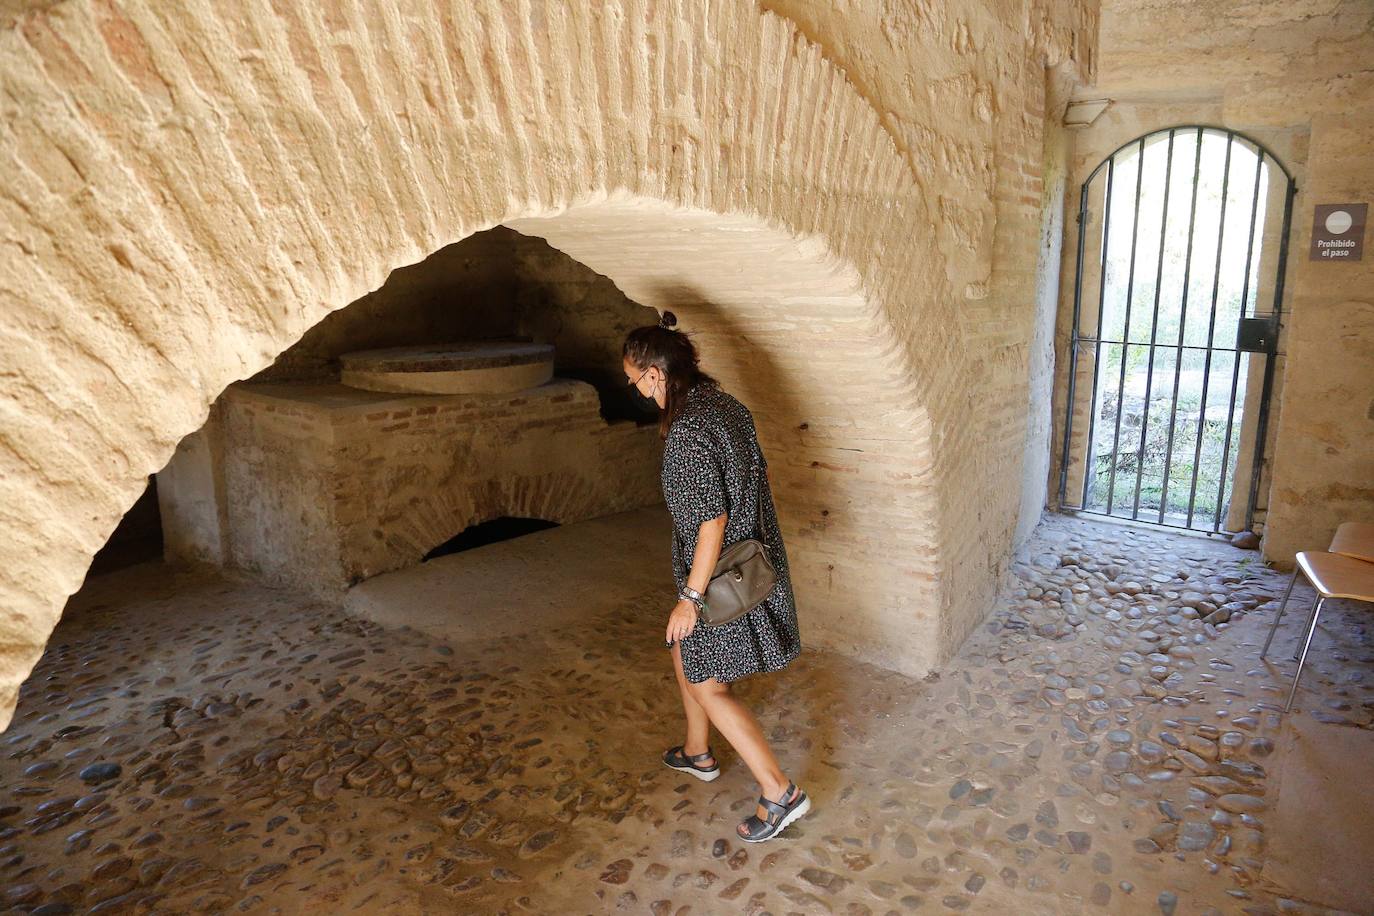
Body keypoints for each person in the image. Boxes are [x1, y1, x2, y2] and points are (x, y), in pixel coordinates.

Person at [621, 310, 809, 843]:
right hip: (753, 559)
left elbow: (711, 520)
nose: (637, 392)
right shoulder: (727, 406)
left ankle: (780, 792)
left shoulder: (685, 432)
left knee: (706, 681)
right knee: (685, 653)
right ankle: (697, 752)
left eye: (634, 381)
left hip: (718, 575)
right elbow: (758, 475)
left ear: (655, 375)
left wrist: (690, 597)